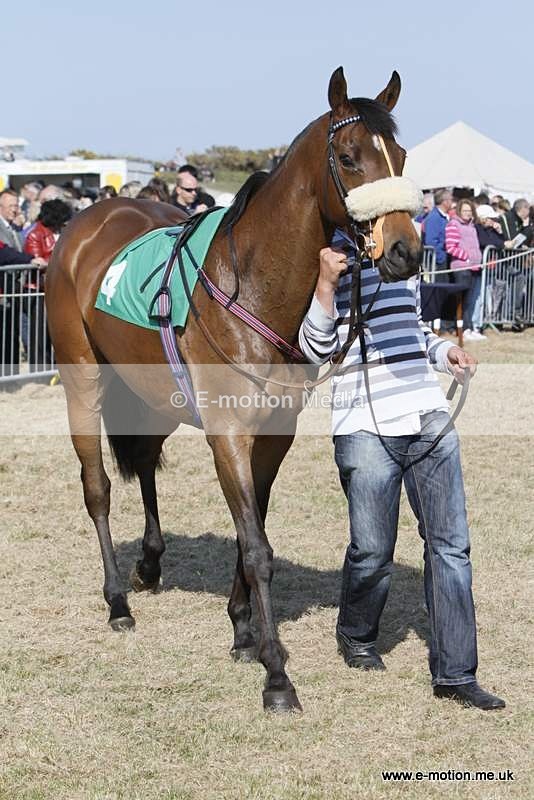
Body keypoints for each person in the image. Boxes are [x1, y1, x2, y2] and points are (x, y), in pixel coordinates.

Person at [297, 235, 505, 711]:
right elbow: (315, 351)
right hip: (362, 425)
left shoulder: (402, 258)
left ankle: (455, 674)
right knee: (372, 550)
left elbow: (413, 330)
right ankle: (356, 634)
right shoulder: (331, 258)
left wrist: (443, 354)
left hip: (427, 415)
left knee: (450, 545)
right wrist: (327, 285)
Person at [24, 199, 72, 369]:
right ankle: (39, 366)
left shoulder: (60, 232)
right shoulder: (35, 234)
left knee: (53, 330)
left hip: (55, 291)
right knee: (39, 331)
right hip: (37, 289)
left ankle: (51, 364)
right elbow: (37, 262)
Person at [445, 198, 485, 341]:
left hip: (475, 267)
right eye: (465, 211)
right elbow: (451, 247)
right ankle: (463, 329)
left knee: (471, 300)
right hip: (462, 267)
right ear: (459, 211)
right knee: (463, 300)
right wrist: (466, 257)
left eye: (469, 211)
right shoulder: (453, 225)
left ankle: (470, 328)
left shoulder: (472, 226)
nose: (467, 213)